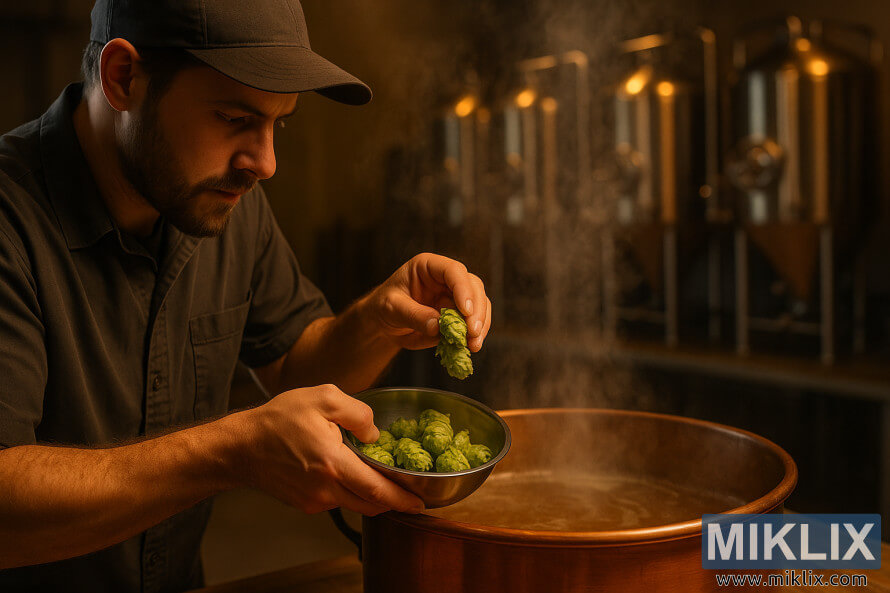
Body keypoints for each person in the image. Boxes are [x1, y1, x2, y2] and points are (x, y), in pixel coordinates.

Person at [0, 0, 491, 591]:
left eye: (278, 123)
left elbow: (297, 366)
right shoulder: (12, 222)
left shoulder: (222, 197)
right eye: (234, 117)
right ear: (123, 77)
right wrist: (233, 451)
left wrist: (377, 322)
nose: (266, 163)